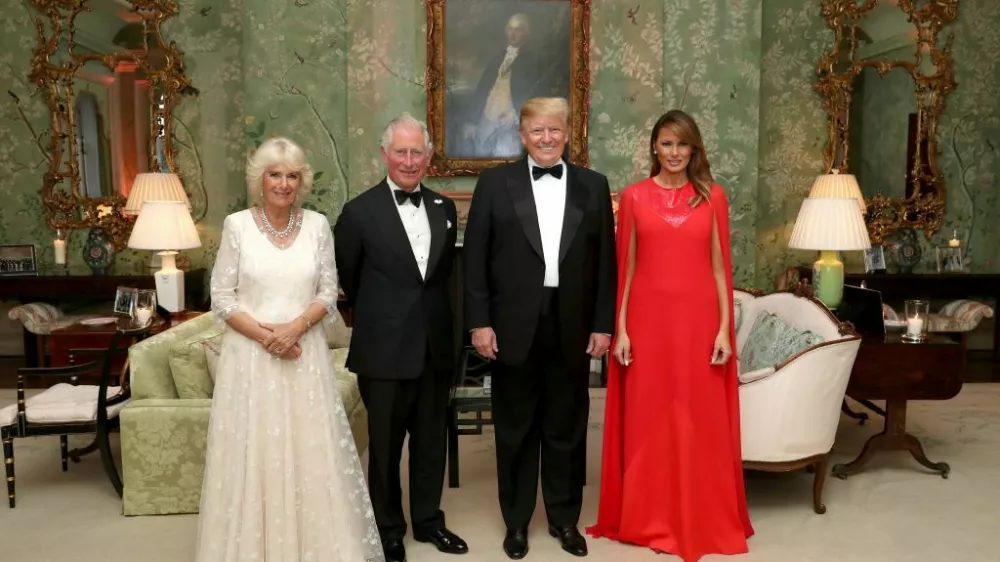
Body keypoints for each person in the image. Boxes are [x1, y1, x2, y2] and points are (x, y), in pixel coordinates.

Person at [195, 137, 384, 562]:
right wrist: (269, 338)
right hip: (251, 359)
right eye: (275, 174)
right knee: (256, 454)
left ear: (302, 182)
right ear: (259, 180)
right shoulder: (237, 225)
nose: (283, 183)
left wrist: (295, 329)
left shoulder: (317, 225)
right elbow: (222, 298)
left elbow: (328, 290)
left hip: (305, 357)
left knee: (309, 454)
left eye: (292, 175)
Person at [586, 109, 755, 561]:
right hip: (647, 323)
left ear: (694, 148)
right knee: (650, 417)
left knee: (699, 418)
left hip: (699, 323)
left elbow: (721, 268)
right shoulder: (635, 197)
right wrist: (620, 329)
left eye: (683, 144)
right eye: (666, 143)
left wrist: (724, 328)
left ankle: (700, 513)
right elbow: (628, 268)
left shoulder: (713, 197)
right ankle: (649, 517)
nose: (675, 153)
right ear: (654, 148)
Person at [463, 97, 617, 559]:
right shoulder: (494, 184)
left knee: (567, 427)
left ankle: (565, 520)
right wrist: (479, 323)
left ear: (567, 132)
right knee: (514, 428)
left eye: (554, 130)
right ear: (522, 134)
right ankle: (515, 522)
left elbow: (606, 265)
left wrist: (602, 324)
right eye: (536, 131)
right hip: (511, 325)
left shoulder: (594, 186)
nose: (546, 138)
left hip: (572, 323)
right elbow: (475, 260)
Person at [334, 113, 466, 562]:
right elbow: (350, 278)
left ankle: (429, 521)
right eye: (401, 151)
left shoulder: (444, 210)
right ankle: (388, 528)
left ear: (428, 157)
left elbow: (445, 278)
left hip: (434, 347)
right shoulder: (358, 212)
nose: (410, 160)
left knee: (431, 443)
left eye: (417, 152)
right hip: (383, 350)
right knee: (386, 448)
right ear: (385, 154)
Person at [459, 13, 543, 158]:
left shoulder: (532, 61)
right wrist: (471, 120)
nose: (513, 33)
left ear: (525, 33)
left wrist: (516, 114)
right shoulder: (496, 58)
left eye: (518, 30)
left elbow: (535, 94)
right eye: (510, 29)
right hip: (486, 119)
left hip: (510, 123)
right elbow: (482, 90)